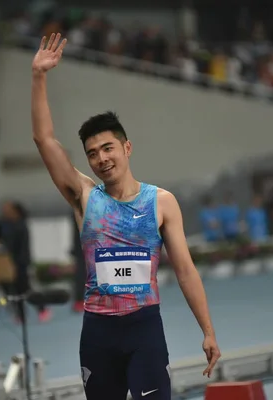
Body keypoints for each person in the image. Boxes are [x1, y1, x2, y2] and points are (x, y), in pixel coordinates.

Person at [30, 33, 220, 400]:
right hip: (98, 334)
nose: (101, 159)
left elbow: (185, 270)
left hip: (144, 329)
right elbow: (44, 140)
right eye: (92, 154)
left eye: (108, 148)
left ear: (127, 147)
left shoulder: (161, 203)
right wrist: (39, 77)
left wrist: (208, 330)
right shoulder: (84, 195)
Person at [0, 201, 51, 323]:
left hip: (21, 263)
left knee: (26, 289)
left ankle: (42, 308)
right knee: (13, 291)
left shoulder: (21, 224)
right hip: (6, 263)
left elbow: (24, 247)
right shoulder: (2, 223)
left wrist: (20, 263)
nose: (5, 212)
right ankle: (20, 314)